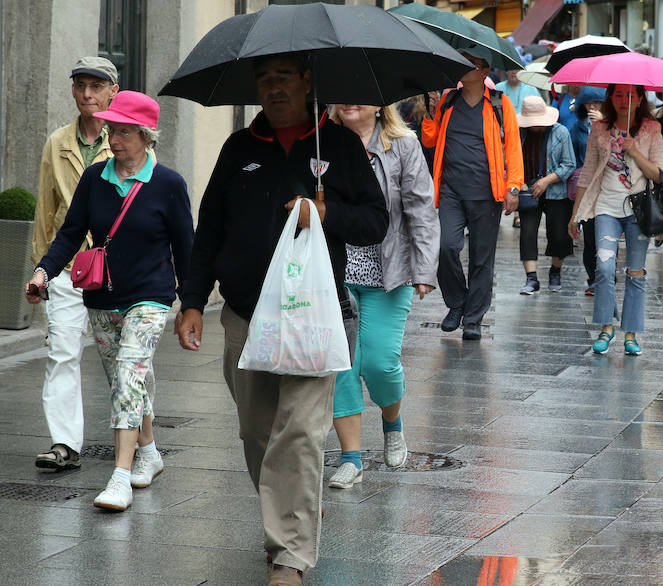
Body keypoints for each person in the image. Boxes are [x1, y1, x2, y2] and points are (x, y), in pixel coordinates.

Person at [175, 54, 388, 586]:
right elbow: (210, 227)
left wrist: (326, 212)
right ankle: (297, 506)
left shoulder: (338, 145)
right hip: (246, 317)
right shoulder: (239, 148)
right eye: (264, 79)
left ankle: (290, 553)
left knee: (300, 434)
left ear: (307, 81)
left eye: (284, 77)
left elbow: (375, 222)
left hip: (314, 316)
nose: (273, 88)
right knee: (257, 433)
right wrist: (193, 300)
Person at [26, 91, 193, 511]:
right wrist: (44, 272)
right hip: (102, 296)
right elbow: (70, 233)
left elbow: (185, 248)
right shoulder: (94, 178)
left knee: (129, 374)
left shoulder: (169, 184)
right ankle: (149, 452)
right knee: (126, 382)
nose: (113, 139)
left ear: (146, 136)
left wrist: (191, 303)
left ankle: (120, 475)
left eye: (123, 132)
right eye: (111, 130)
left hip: (150, 297)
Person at [327, 103, 439, 489]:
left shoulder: (403, 145)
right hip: (336, 272)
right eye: (343, 95)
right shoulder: (323, 144)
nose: (350, 101)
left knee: (379, 364)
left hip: (388, 273)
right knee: (342, 365)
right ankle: (350, 458)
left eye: (359, 95)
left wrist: (424, 270)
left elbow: (421, 210)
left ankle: (392, 422)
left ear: (379, 105)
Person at [30, 56, 119, 472]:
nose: (87, 94)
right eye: (80, 85)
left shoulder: (126, 139)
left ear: (113, 91)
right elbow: (46, 210)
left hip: (113, 271)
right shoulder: (57, 142)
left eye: (96, 86)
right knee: (62, 353)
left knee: (123, 359)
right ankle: (64, 443)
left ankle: (140, 442)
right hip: (67, 268)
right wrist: (41, 269)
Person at [422, 47, 524, 341]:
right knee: (446, 247)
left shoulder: (499, 104)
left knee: (481, 258)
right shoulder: (447, 101)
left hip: (487, 193)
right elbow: (429, 139)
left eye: (470, 63)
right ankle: (457, 303)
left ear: (484, 71)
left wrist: (513, 186)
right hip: (450, 190)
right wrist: (429, 110)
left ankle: (473, 319)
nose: (463, 67)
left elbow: (513, 147)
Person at [567, 84, 663, 356]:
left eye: (630, 95)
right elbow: (587, 172)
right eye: (619, 94)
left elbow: (659, 174)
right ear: (611, 97)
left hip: (639, 210)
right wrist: (576, 214)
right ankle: (606, 327)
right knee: (604, 268)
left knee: (635, 272)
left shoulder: (652, 129)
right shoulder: (600, 129)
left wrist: (634, 152)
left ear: (640, 98)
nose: (624, 100)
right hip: (606, 207)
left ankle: (631, 334)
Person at [516, 96, 576, 294]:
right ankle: (531, 278)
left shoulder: (561, 132)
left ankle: (555, 271)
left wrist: (547, 180)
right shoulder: (518, 132)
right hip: (528, 191)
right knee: (527, 233)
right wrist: (518, 181)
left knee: (559, 235)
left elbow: (569, 164)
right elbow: (510, 160)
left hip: (556, 191)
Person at [569, 86, 606, 296]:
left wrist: (602, 124)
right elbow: (573, 157)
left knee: (606, 234)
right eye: (588, 103)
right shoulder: (578, 127)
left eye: (597, 102)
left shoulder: (612, 126)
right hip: (586, 186)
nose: (592, 107)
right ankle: (593, 278)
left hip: (608, 186)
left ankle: (606, 276)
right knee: (589, 235)